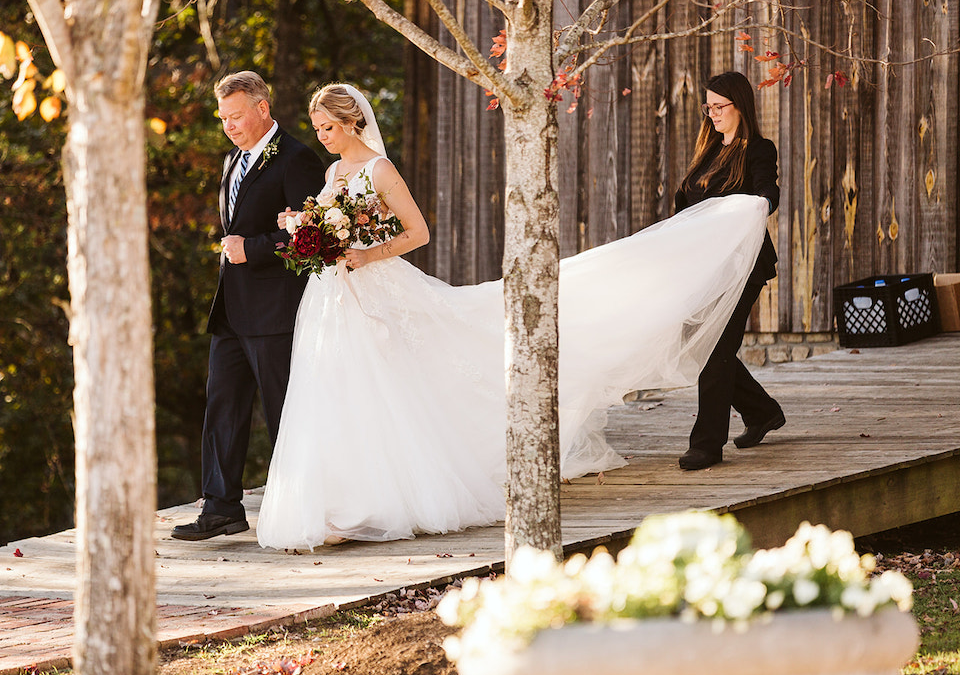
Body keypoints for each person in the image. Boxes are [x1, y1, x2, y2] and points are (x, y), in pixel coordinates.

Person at [256, 83, 772, 551]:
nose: (321, 136)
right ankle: (335, 502)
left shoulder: (380, 170)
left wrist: (367, 253)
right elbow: (333, 227)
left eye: (328, 126)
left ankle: (381, 500)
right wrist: (304, 230)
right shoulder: (331, 172)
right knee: (336, 392)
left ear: (353, 123)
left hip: (375, 287)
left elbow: (417, 233)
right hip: (332, 297)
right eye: (318, 128)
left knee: (386, 388)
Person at [172, 71, 325, 541]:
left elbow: (314, 235)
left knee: (283, 412)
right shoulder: (232, 160)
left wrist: (252, 249)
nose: (229, 126)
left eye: (236, 116)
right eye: (223, 119)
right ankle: (221, 508)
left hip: (276, 311)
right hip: (232, 311)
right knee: (222, 408)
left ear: (263, 108)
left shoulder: (297, 158)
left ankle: (296, 509)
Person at [675, 71, 784, 471]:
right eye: (709, 106)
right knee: (700, 343)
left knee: (717, 350)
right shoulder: (708, 152)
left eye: (720, 106)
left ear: (741, 106)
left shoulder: (758, 149)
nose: (713, 113)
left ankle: (706, 444)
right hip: (705, 266)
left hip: (743, 266)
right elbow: (687, 206)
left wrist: (758, 205)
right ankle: (762, 412)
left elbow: (766, 192)